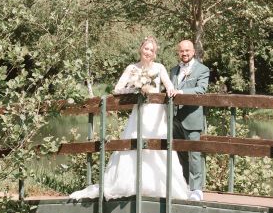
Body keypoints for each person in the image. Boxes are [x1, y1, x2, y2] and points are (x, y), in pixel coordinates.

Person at [69, 36, 190, 201]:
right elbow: (117, 89)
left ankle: (158, 186)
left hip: (156, 115)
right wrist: (134, 89)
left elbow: (168, 85)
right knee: (134, 145)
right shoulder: (132, 68)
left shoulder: (160, 67)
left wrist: (171, 90)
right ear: (141, 49)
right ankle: (132, 184)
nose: (148, 52)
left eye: (151, 50)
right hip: (139, 112)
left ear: (155, 54)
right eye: (146, 48)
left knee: (157, 148)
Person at [170, 40, 210, 201]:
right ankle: (184, 185)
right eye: (181, 51)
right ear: (178, 52)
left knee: (194, 154)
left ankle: (196, 189)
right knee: (180, 153)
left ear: (193, 52)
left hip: (192, 117)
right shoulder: (173, 70)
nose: (184, 53)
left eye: (187, 51)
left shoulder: (202, 69)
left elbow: (201, 89)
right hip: (174, 118)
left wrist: (180, 92)